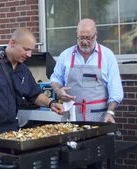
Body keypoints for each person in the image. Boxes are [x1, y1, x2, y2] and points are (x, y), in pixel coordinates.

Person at [50, 18, 123, 169]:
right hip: (71, 118)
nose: (85, 42)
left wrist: (110, 112)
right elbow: (55, 78)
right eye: (81, 38)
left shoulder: (107, 56)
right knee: (69, 160)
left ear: (96, 35)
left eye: (88, 38)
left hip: (97, 119)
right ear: (76, 36)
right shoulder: (65, 55)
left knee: (94, 161)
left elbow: (115, 89)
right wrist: (58, 89)